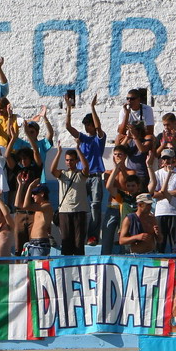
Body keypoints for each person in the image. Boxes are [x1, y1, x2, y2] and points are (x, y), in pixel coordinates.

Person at [65, 94, 105, 245]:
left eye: (89, 124)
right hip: (82, 176)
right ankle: (77, 235)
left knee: (95, 206)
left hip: (95, 176)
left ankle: (92, 236)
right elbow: (68, 127)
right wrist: (68, 108)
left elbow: (99, 128)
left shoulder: (99, 139)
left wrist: (92, 107)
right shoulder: (83, 138)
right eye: (85, 124)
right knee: (77, 205)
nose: (87, 127)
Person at [50, 146, 89, 256]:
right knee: (66, 241)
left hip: (79, 211)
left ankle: (79, 264)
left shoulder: (81, 174)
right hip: (64, 211)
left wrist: (79, 150)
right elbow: (52, 170)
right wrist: (59, 152)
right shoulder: (62, 174)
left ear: (76, 161)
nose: (69, 162)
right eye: (67, 160)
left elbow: (86, 167)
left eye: (71, 160)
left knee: (79, 242)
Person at [18, 179, 54, 257]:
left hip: (40, 243)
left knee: (38, 264)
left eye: (34, 194)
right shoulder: (38, 207)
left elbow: (26, 206)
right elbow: (17, 204)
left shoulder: (47, 206)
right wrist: (20, 185)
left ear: (42, 194)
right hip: (32, 242)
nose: (32, 196)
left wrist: (30, 187)